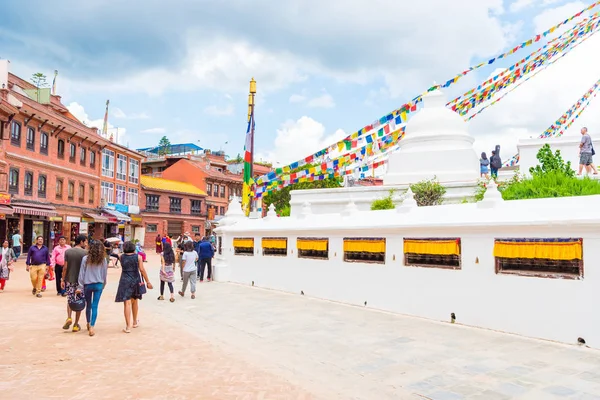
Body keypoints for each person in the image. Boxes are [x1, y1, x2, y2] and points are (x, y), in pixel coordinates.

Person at [115, 241, 153, 333]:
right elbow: (142, 270)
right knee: (135, 300)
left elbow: (117, 255)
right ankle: (135, 322)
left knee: (127, 303)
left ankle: (128, 327)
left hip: (124, 279)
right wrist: (148, 282)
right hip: (136, 279)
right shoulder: (138, 257)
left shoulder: (121, 257)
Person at [77, 241, 108, 337]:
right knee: (95, 306)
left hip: (87, 284)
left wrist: (80, 286)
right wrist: (104, 283)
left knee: (88, 305)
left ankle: (88, 322)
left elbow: (81, 273)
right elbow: (104, 273)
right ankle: (92, 326)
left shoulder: (85, 259)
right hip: (98, 284)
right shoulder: (103, 259)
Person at [61, 235, 88, 332]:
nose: (86, 244)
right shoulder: (85, 253)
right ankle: (76, 324)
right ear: (81, 242)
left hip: (69, 279)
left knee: (70, 298)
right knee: (79, 301)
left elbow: (65, 267)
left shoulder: (68, 252)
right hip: (81, 281)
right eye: (85, 242)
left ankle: (69, 317)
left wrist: (62, 279)